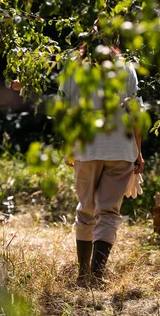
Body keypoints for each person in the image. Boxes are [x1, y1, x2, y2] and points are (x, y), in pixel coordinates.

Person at [61, 43, 144, 286]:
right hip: (120, 149)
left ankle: (82, 274)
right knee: (108, 211)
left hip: (85, 148)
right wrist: (138, 152)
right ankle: (97, 275)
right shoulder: (126, 67)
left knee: (86, 209)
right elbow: (136, 111)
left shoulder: (74, 66)